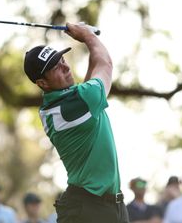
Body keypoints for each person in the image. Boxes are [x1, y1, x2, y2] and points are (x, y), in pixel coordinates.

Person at [23, 23, 128, 223]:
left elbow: (91, 77)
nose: (65, 67)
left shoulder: (66, 102)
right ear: (42, 84)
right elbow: (105, 64)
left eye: (62, 60)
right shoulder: (72, 106)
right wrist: (88, 37)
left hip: (108, 205)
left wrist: (88, 37)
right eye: (55, 67)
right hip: (88, 207)